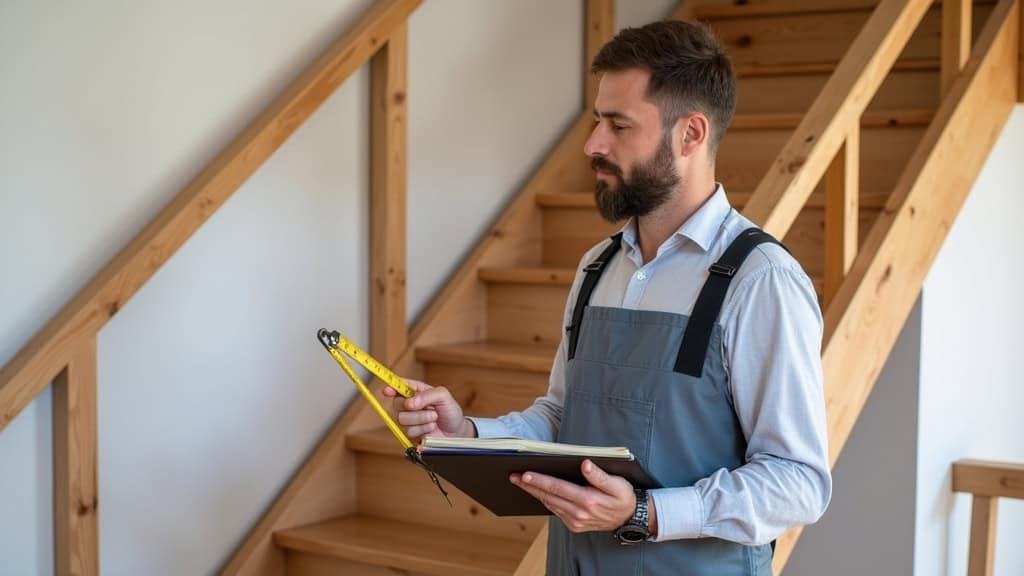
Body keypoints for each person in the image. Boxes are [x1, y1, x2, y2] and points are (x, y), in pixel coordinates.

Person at [384, 20, 831, 575]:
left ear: (690, 135)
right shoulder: (597, 266)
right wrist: (469, 434)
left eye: (619, 125)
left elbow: (798, 481)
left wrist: (646, 512)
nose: (593, 145)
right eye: (598, 120)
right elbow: (562, 416)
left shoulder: (761, 281)